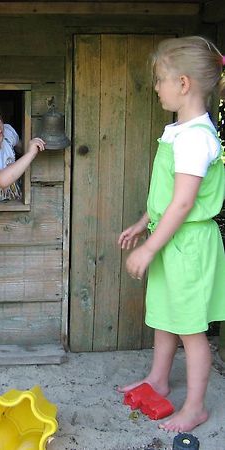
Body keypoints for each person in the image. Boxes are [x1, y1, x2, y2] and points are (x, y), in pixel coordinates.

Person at [118, 36, 225, 433]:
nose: (157, 87)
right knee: (166, 318)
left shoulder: (197, 137)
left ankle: (195, 406)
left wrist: (147, 249)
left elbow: (183, 205)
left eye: (160, 79)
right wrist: (144, 221)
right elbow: (169, 198)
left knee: (192, 331)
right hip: (172, 239)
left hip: (188, 245)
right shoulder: (181, 131)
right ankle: (158, 379)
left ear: (183, 84)